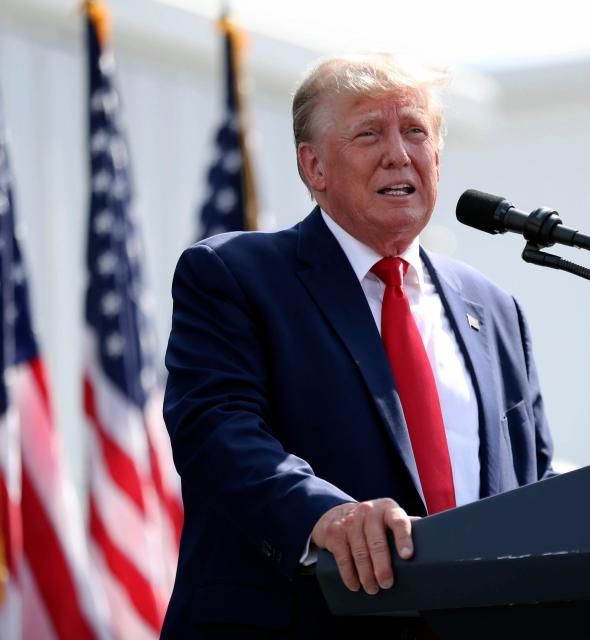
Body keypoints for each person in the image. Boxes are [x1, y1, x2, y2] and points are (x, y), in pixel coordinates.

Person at [161, 53, 553, 639]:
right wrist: (325, 513)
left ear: (438, 158)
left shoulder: (494, 309)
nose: (399, 153)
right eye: (370, 133)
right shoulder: (235, 275)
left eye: (416, 131)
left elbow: (533, 483)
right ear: (313, 166)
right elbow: (215, 431)